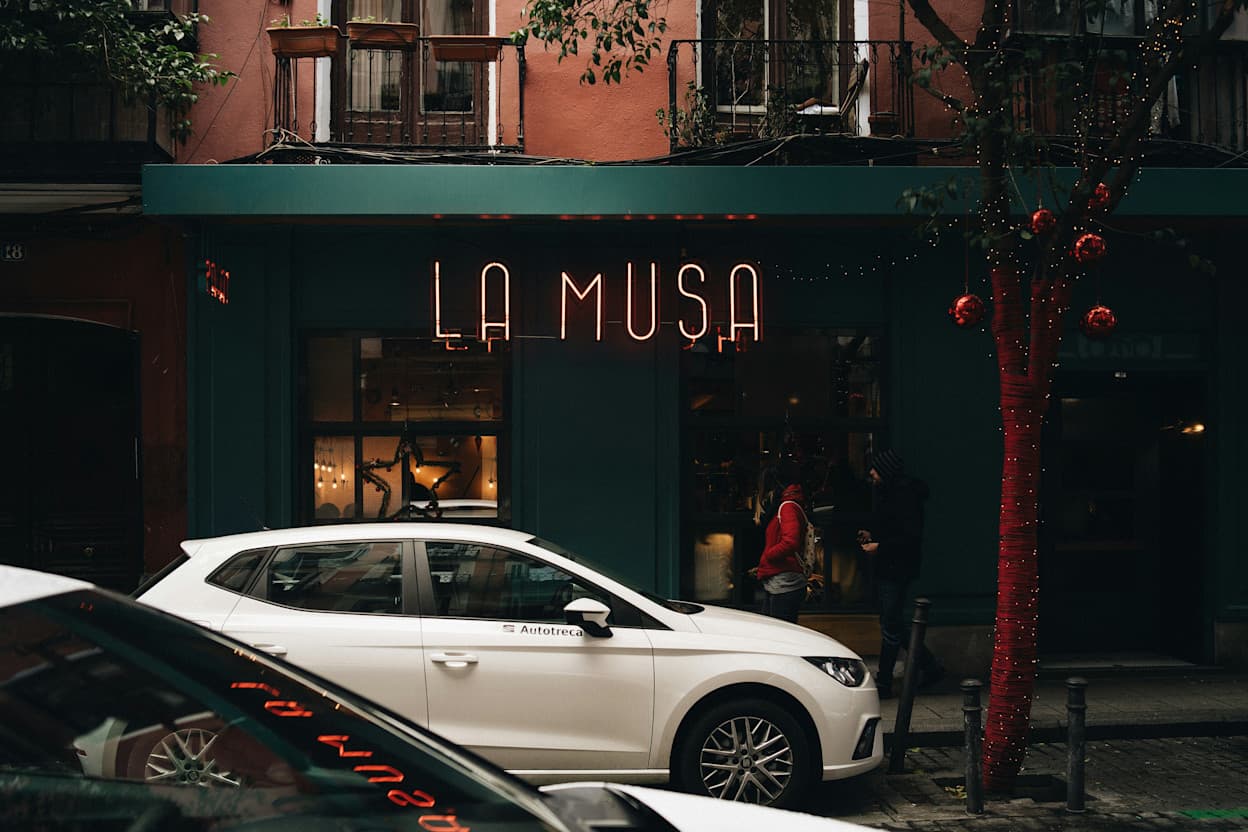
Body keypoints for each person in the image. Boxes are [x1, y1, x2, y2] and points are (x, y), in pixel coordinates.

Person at [858, 449, 944, 698]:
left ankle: (884, 683)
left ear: (886, 471)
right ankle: (931, 666)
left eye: (875, 469)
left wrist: (880, 547)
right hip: (891, 567)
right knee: (894, 623)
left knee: (890, 627)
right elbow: (893, 529)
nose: (871, 473)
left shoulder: (904, 497)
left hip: (896, 569)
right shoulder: (891, 493)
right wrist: (872, 535)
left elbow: (909, 538)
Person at [753, 481, 810, 624]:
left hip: (785, 582)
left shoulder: (787, 507)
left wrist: (768, 556)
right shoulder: (787, 506)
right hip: (780, 581)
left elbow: (790, 542)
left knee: (779, 632)